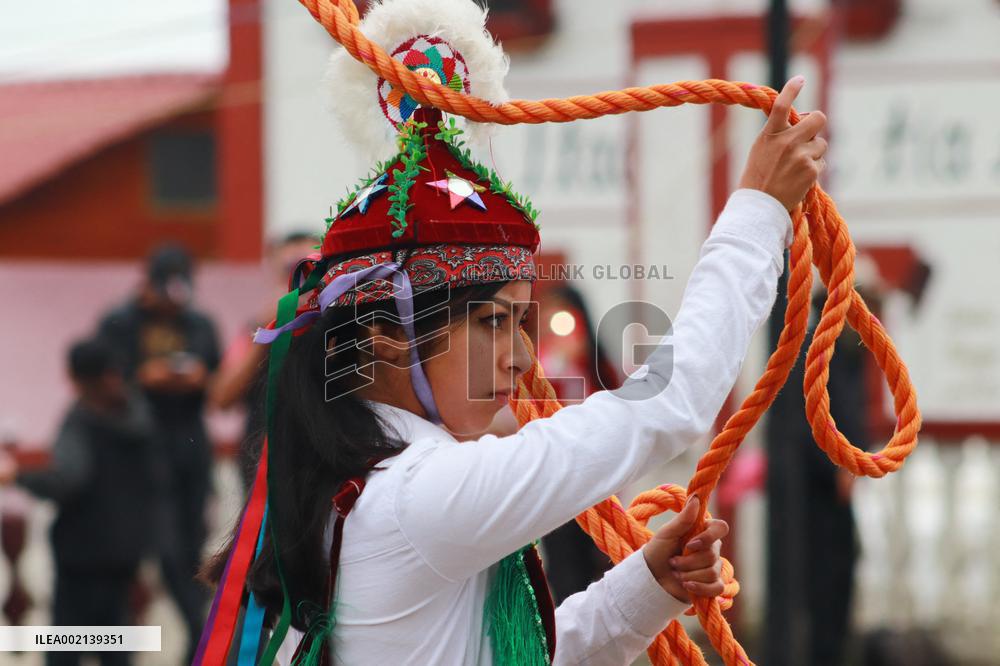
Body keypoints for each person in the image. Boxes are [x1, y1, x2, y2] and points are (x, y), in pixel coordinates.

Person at [194, 2, 827, 661]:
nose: (522, 359)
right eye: (494, 323)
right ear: (384, 338)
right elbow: (670, 405)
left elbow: (511, 653)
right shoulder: (420, 497)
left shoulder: (361, 489)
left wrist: (647, 586)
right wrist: (759, 209)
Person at [96, 243, 221, 664]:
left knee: (188, 551)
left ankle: (198, 641)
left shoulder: (198, 322)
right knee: (154, 550)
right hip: (139, 452)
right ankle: (197, 632)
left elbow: (213, 374)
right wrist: (145, 377)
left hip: (189, 447)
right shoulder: (120, 323)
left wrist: (187, 377)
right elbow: (108, 381)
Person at [0, 338, 159, 666]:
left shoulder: (82, 420)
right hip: (125, 551)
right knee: (116, 642)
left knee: (66, 643)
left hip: (81, 553)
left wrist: (18, 475)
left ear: (76, 378)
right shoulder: (139, 418)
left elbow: (68, 480)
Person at [209, 232, 320, 490]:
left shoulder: (337, 322)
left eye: (306, 269)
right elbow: (221, 398)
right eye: (289, 271)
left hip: (320, 454)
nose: (298, 283)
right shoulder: (257, 327)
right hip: (263, 461)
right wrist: (268, 332)